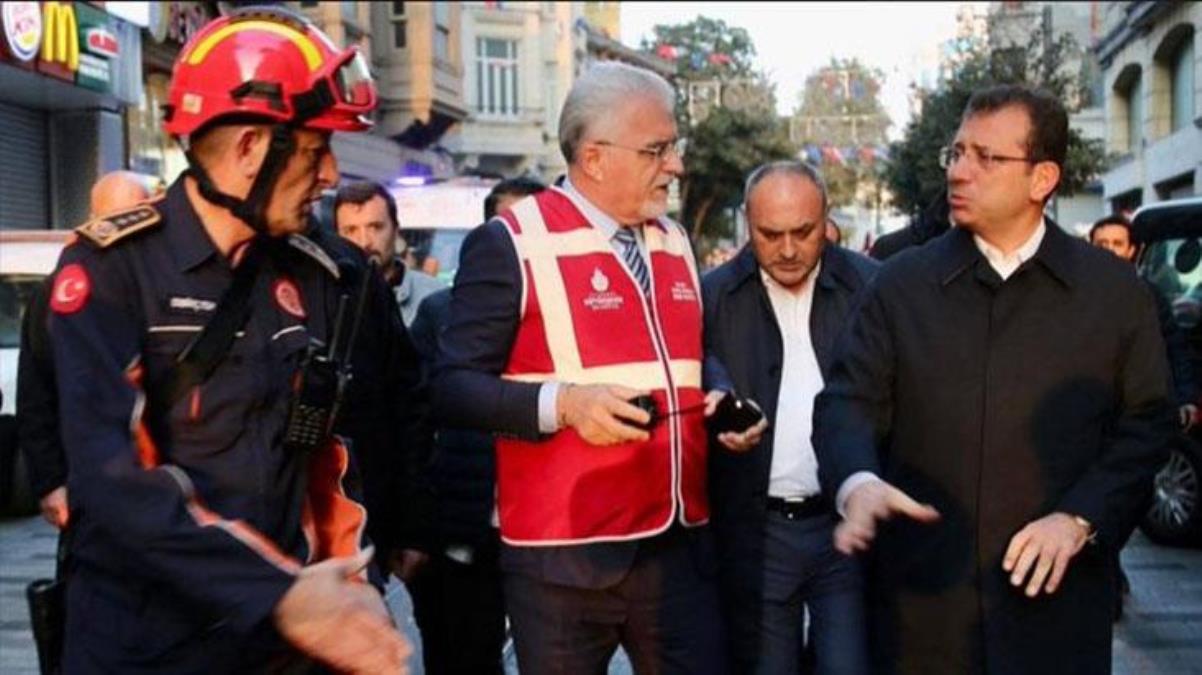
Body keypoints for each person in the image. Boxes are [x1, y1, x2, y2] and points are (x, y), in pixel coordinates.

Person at [46, 8, 411, 672]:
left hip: (283, 639)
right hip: (147, 641)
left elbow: (327, 453)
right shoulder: (108, 267)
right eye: (314, 149)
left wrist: (353, 585)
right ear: (250, 148)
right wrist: (285, 596)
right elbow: (115, 481)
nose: (330, 174)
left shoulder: (325, 272)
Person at [814, 84, 1175, 675]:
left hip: (1056, 607)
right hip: (922, 609)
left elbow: (1147, 424)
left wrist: (1080, 518)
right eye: (956, 153)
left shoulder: (1113, 294)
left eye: (987, 157)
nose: (961, 171)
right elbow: (846, 403)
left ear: (1043, 179)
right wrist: (856, 481)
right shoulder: (900, 284)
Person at [433, 61, 734, 674]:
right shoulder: (512, 240)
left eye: (673, 147)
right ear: (595, 158)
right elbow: (451, 389)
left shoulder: (674, 238)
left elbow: (688, 355)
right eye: (657, 150)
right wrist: (564, 404)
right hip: (563, 561)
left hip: (674, 549)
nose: (675, 165)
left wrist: (720, 392)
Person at [703, 161, 876, 674]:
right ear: (746, 226)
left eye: (802, 232)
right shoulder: (711, 298)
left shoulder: (871, 288)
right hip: (757, 534)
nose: (786, 249)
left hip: (846, 530)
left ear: (826, 220)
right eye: (769, 234)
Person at [404, 176, 547, 675]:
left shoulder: (567, 314)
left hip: (549, 531)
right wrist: (419, 529)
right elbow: (415, 423)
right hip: (467, 528)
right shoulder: (442, 313)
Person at [19, 172, 150, 531]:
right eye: (117, 219)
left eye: (138, 216)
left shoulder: (167, 282)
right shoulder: (59, 290)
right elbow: (37, 393)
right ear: (94, 219)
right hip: (90, 480)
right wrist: (50, 482)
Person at [335, 180, 445, 327]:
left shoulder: (435, 297)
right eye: (351, 230)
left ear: (395, 230)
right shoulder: (324, 296)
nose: (364, 242)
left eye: (375, 227)